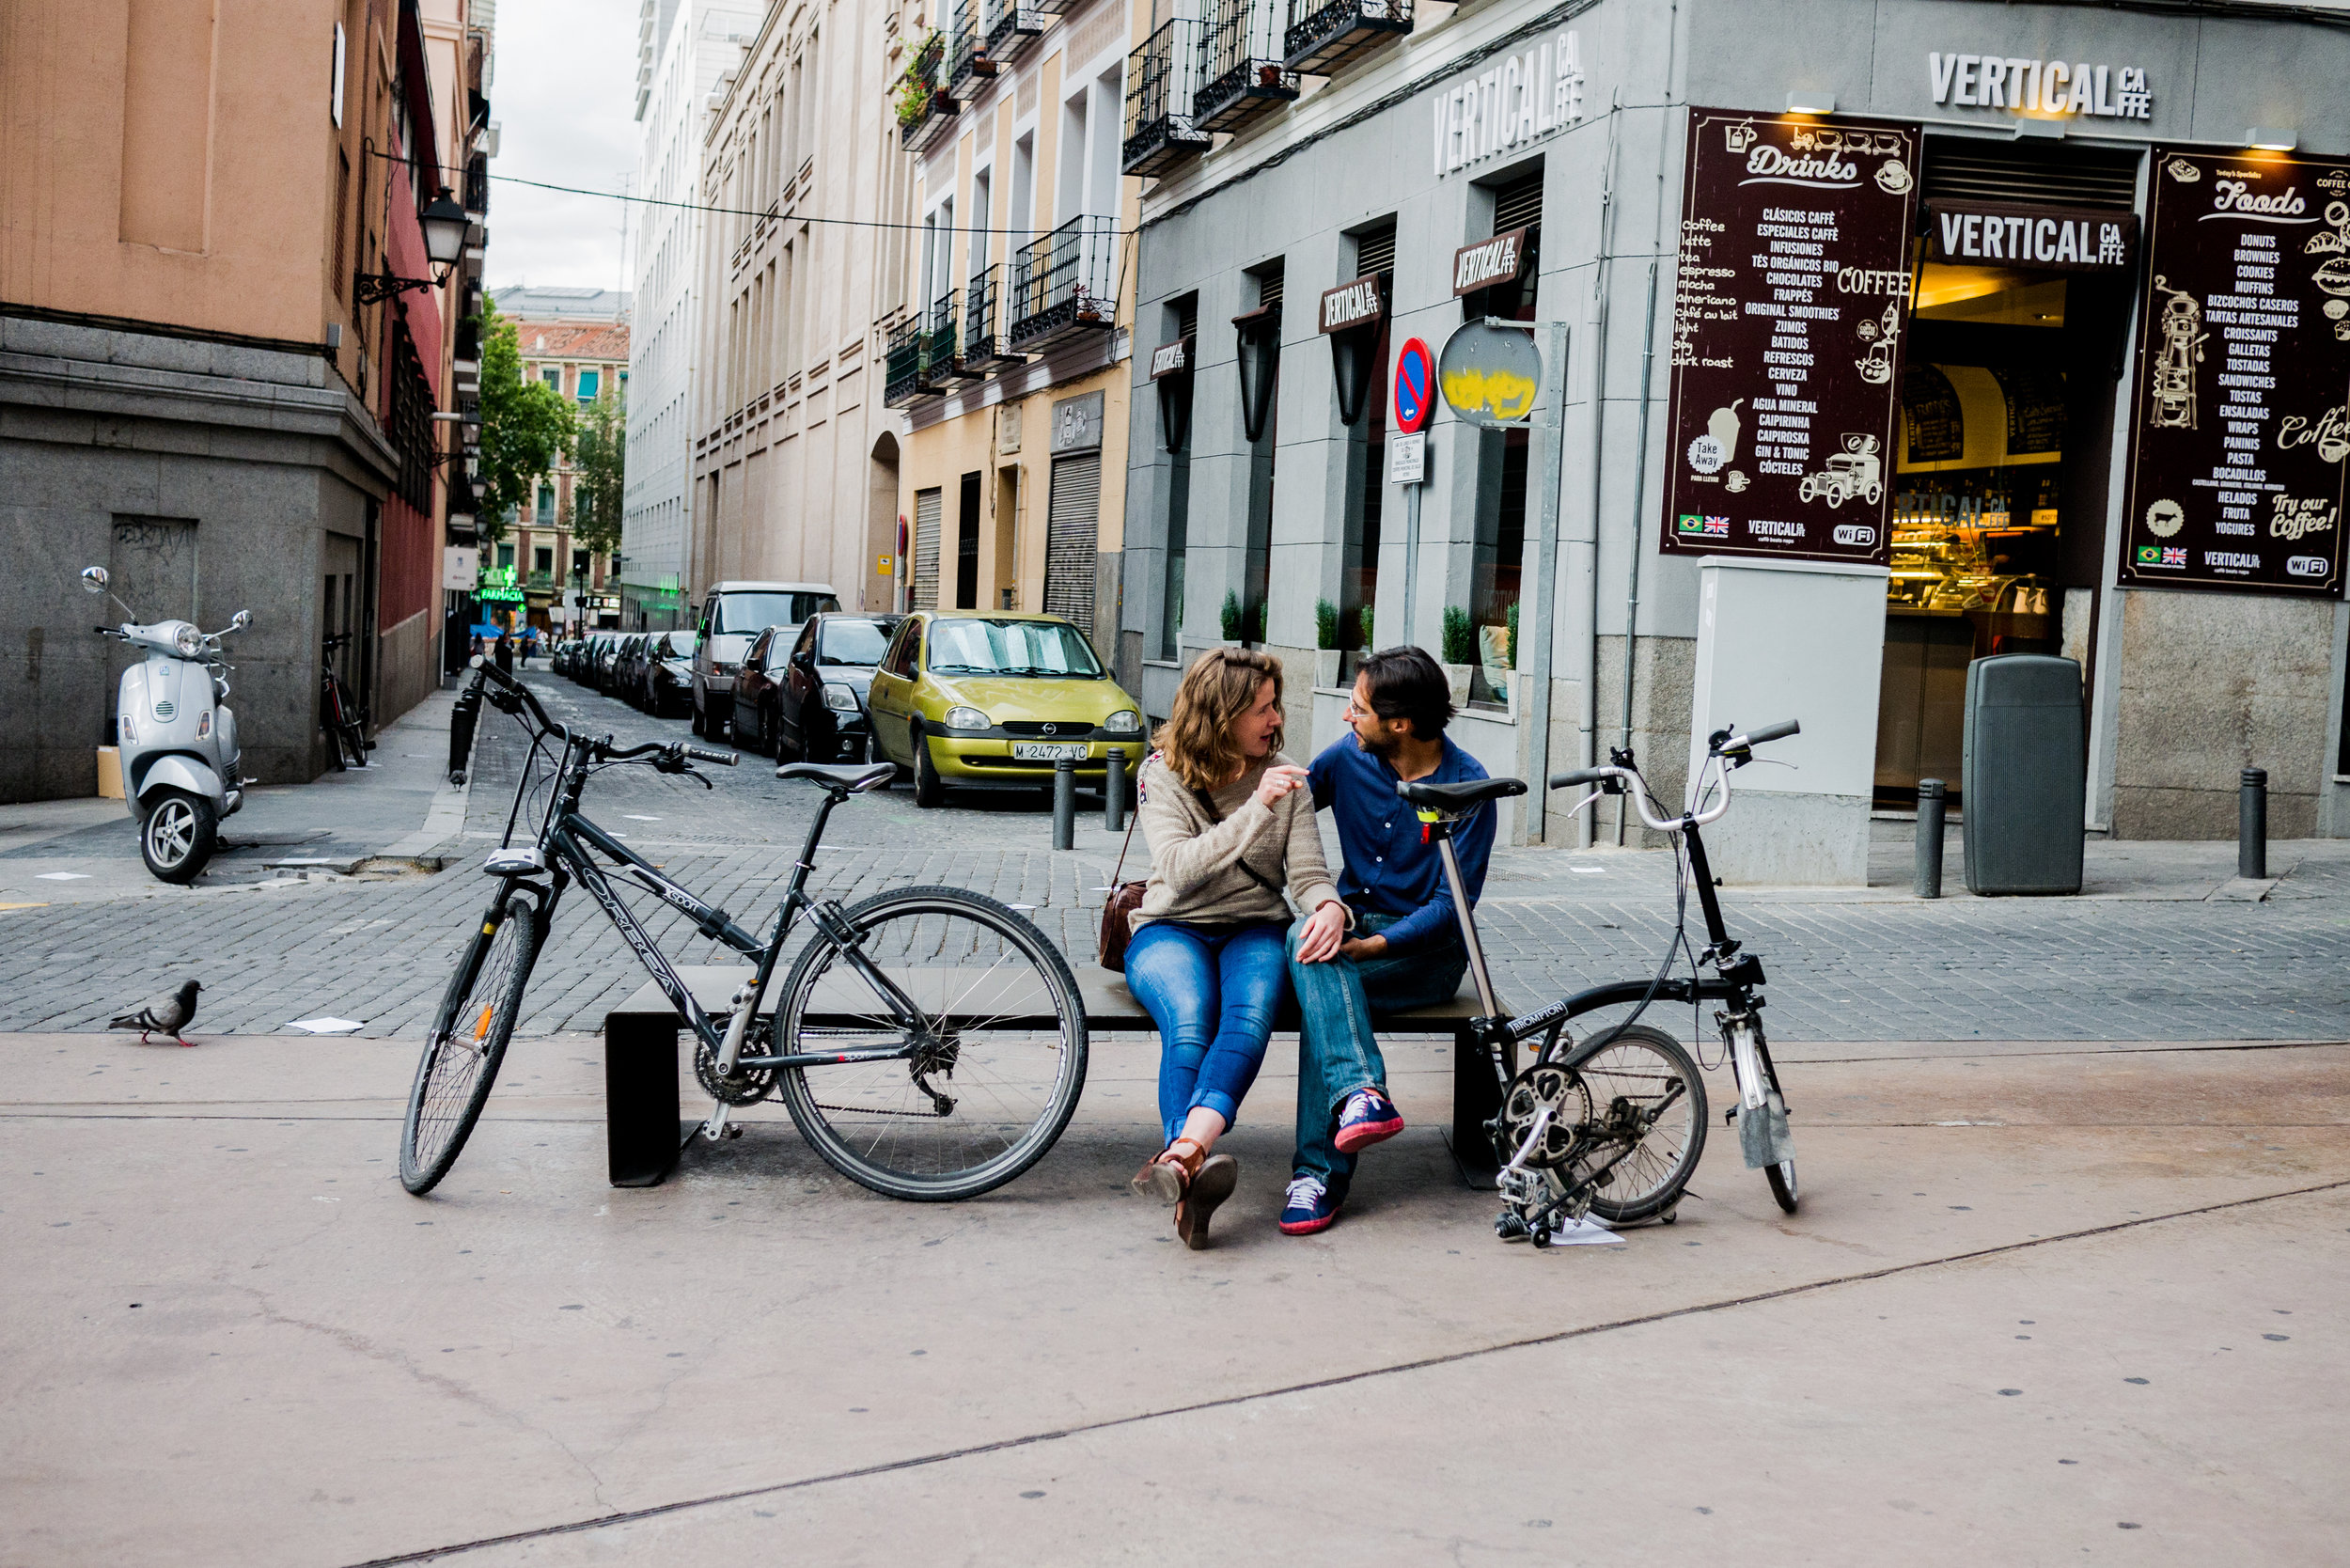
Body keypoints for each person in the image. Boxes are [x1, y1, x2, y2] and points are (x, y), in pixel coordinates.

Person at [1125, 650, 1350, 1249]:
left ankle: (1182, 1159)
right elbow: (1178, 868)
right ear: (1221, 716)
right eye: (1263, 709)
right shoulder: (1162, 773)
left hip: (1254, 925)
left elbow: (1306, 875)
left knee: (1247, 1018)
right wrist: (1257, 809)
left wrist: (1330, 906)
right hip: (1171, 927)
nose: (1277, 720)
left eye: (1276, 705)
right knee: (1192, 1018)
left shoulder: (1286, 775)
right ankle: (1191, 1161)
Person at [1279, 646, 1496, 1236]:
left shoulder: (1467, 787)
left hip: (1422, 953)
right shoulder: (1349, 759)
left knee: (1318, 973)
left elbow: (1452, 909)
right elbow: (1289, 805)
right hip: (1350, 925)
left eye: (1358, 709)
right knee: (1315, 948)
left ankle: (1319, 1175)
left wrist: (1376, 947)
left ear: (1399, 724)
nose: (1348, 719)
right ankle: (1361, 1095)